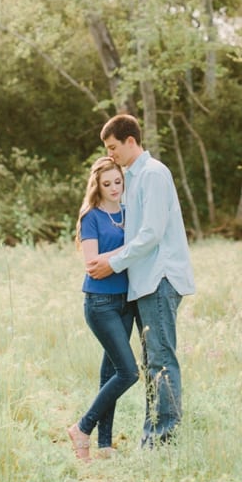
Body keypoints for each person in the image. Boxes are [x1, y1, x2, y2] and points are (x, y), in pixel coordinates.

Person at [86, 113, 195, 446]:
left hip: (160, 279)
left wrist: (114, 264)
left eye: (113, 147)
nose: (111, 154)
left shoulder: (154, 174)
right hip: (145, 282)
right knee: (151, 362)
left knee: (161, 360)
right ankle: (153, 438)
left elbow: (151, 234)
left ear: (130, 141)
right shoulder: (133, 178)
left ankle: (164, 440)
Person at [66, 156, 138, 461]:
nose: (113, 188)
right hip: (100, 302)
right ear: (97, 185)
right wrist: (134, 246)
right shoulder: (91, 217)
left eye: (117, 182)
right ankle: (82, 427)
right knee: (129, 372)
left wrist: (132, 247)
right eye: (106, 183)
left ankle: (104, 445)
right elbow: (93, 265)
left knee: (111, 371)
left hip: (127, 301)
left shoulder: (130, 213)